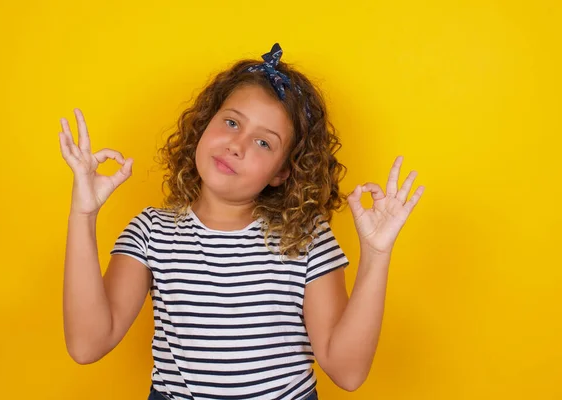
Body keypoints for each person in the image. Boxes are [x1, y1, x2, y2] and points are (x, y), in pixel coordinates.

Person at [59, 43, 425, 400]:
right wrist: (83, 213)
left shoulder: (307, 238)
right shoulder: (152, 232)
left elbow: (347, 372)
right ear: (205, 124)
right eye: (231, 122)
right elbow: (87, 344)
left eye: (264, 143)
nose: (237, 145)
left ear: (282, 172)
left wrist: (376, 255)